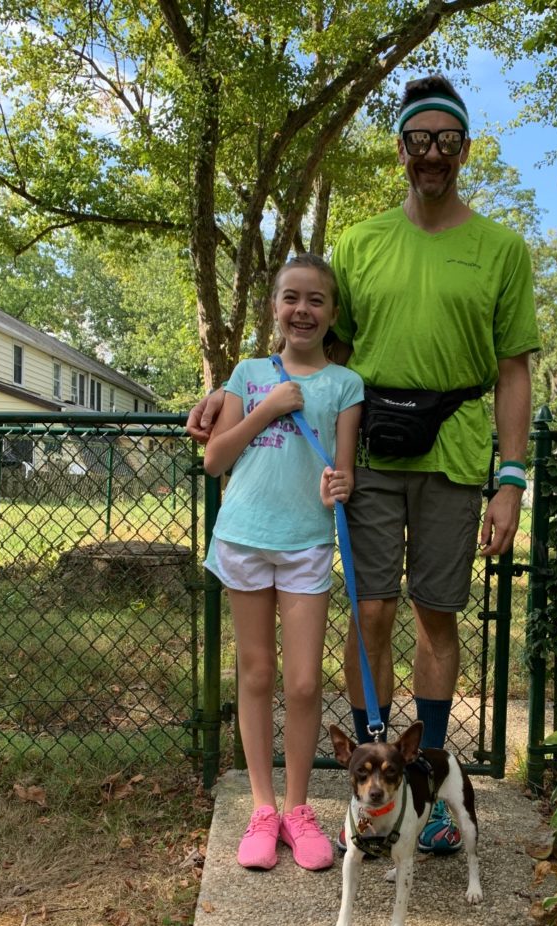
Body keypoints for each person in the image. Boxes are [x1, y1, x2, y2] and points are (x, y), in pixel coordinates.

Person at [189, 73, 540, 855]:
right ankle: (377, 771)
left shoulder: (501, 250)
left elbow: (514, 368)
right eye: (420, 141)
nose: (433, 155)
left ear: (465, 148)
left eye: (447, 141)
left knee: (436, 613)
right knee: (372, 609)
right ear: (402, 149)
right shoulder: (360, 242)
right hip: (371, 445)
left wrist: (511, 480)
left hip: (454, 451)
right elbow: (314, 350)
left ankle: (435, 783)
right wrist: (228, 392)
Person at [202, 253, 364, 871]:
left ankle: (299, 809)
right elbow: (216, 460)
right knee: (256, 675)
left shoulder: (346, 385)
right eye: (291, 298)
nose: (303, 310)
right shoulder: (246, 373)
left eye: (316, 300)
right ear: (275, 307)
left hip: (307, 544)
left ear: (332, 314)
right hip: (244, 536)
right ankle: (262, 808)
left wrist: (338, 487)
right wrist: (267, 407)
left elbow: (342, 469)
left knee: (301, 682)